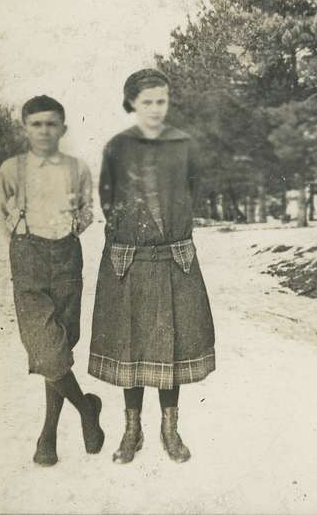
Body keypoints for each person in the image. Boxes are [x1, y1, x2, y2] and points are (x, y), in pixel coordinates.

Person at [88, 69, 215, 464]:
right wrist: (133, 233)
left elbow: (195, 190)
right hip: (131, 258)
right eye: (147, 102)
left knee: (171, 344)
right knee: (131, 346)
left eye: (161, 101)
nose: (156, 109)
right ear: (132, 104)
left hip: (174, 257)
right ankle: (132, 430)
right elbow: (108, 200)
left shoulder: (185, 145)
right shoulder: (117, 147)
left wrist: (172, 226)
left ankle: (170, 429)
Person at [0, 95, 104, 466]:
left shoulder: (77, 168)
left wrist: (78, 222)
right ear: (25, 128)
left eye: (51, 124)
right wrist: (23, 239)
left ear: (63, 128)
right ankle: (87, 410)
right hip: (28, 258)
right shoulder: (11, 169)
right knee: (46, 349)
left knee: (60, 345)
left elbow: (88, 211)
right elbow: (2, 215)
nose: (44, 130)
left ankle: (49, 435)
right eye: (36, 124)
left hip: (66, 259)